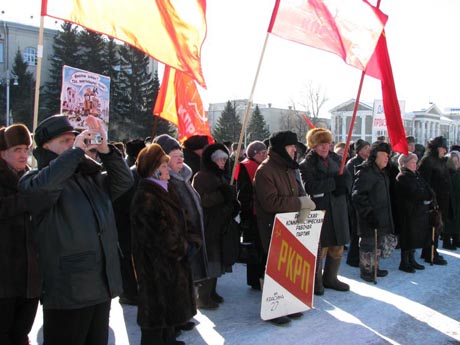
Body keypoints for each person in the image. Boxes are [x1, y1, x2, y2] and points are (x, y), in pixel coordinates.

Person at [19, 114, 133, 345]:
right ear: (45, 147)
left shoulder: (89, 178)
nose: (73, 144)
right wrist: (75, 153)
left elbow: (124, 181)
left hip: (100, 284)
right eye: (64, 141)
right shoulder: (33, 180)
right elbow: (43, 189)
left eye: (74, 139)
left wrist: (106, 150)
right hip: (69, 292)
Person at [131, 144, 196, 345]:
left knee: (170, 311)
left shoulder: (167, 189)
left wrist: (193, 240)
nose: (168, 169)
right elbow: (158, 237)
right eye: (164, 166)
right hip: (157, 269)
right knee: (156, 315)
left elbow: (185, 219)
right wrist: (184, 247)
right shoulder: (146, 196)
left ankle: (169, 340)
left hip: (173, 265)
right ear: (154, 170)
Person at [254, 131, 315, 325]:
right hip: (273, 227)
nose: (294, 150)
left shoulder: (289, 168)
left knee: (289, 266)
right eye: (291, 147)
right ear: (281, 148)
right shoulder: (265, 170)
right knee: (273, 267)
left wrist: (305, 201)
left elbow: (299, 191)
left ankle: (288, 304)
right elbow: (271, 202)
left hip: (291, 226)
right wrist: (300, 202)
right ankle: (273, 309)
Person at [153, 134, 209, 331]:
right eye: (174, 155)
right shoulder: (162, 181)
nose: (180, 159)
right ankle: (173, 321)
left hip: (188, 240)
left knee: (186, 281)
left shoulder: (184, 176)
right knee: (173, 284)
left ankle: (183, 315)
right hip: (175, 243)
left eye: (181, 155)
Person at [0, 124, 40, 345]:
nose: (24, 154)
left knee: (21, 334)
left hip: (29, 279)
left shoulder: (31, 179)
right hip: (4, 279)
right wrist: (27, 199)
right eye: (17, 149)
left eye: (26, 149)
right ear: (2, 152)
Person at [299, 128, 351, 295]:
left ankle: (331, 278)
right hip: (320, 209)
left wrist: (344, 185)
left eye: (327, 143)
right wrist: (334, 183)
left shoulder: (337, 159)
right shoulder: (306, 164)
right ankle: (315, 281)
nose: (324, 147)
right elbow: (309, 187)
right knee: (320, 247)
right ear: (313, 146)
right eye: (320, 144)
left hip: (338, 208)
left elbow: (348, 178)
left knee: (338, 245)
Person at [192, 143, 239, 310]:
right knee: (210, 260)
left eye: (225, 159)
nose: (223, 162)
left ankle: (212, 291)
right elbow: (202, 200)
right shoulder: (201, 176)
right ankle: (203, 297)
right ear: (212, 160)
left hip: (220, 224)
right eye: (219, 159)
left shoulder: (220, 175)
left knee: (218, 259)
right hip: (208, 224)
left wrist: (232, 202)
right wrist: (222, 195)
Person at [352, 142, 395, 282]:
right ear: (376, 155)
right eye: (384, 155)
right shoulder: (367, 171)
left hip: (380, 215)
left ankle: (374, 267)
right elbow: (358, 195)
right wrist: (369, 214)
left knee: (376, 244)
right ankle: (366, 271)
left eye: (388, 156)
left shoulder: (381, 172)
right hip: (369, 217)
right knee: (368, 244)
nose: (387, 158)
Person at [235, 140, 267, 291]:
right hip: (251, 214)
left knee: (261, 247)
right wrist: (247, 211)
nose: (264, 155)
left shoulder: (263, 166)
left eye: (265, 152)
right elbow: (243, 192)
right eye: (261, 153)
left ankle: (260, 277)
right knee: (254, 249)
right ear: (253, 154)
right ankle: (255, 280)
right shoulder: (245, 167)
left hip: (261, 213)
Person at [395, 153, 432, 273]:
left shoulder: (415, 175)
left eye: (415, 162)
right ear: (404, 164)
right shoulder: (403, 176)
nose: (415, 165)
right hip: (407, 212)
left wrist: (430, 194)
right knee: (407, 236)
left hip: (417, 211)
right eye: (412, 162)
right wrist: (426, 195)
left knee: (414, 236)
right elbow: (414, 193)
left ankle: (412, 259)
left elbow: (426, 188)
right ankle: (404, 262)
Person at [417, 136, 451, 265]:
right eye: (442, 148)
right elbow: (425, 182)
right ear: (436, 148)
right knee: (432, 227)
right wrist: (430, 198)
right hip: (433, 201)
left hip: (441, 199)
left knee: (437, 228)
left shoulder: (440, 161)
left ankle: (432, 250)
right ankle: (430, 253)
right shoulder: (428, 161)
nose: (444, 150)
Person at [345, 139, 370, 267]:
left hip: (364, 201)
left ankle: (359, 256)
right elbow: (350, 184)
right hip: (354, 202)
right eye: (366, 148)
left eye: (369, 148)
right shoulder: (352, 163)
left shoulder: (367, 163)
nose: (368, 151)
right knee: (355, 231)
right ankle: (353, 257)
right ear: (359, 150)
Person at [442, 150, 460, 249]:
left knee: (457, 221)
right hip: (449, 200)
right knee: (448, 222)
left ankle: (456, 239)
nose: (456, 163)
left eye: (457, 161)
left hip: (457, 200)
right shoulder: (448, 172)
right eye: (454, 161)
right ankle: (446, 241)